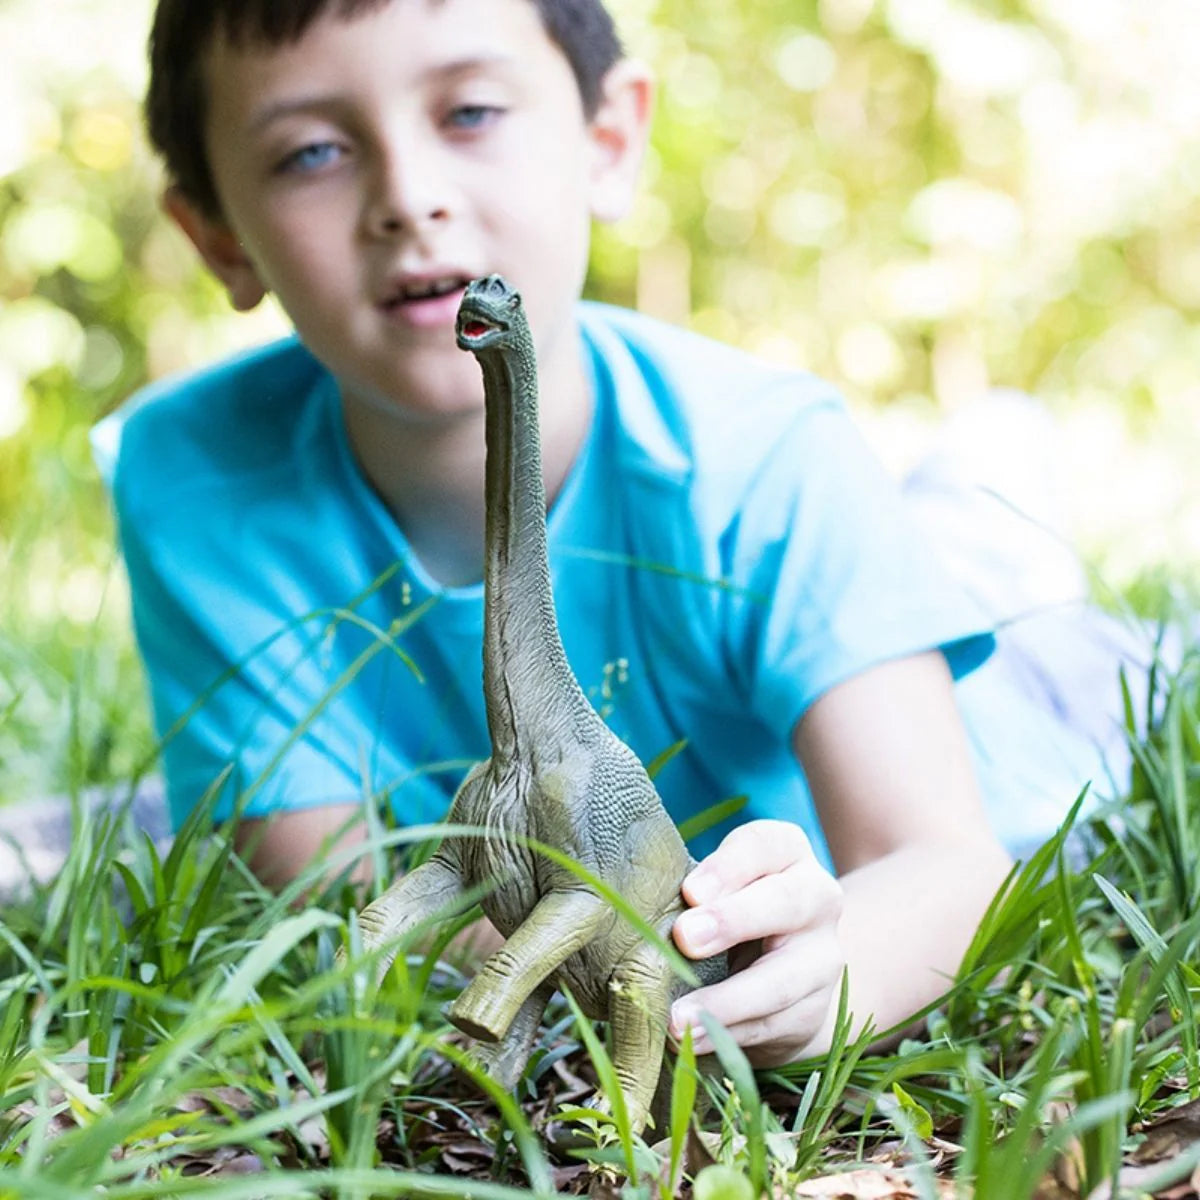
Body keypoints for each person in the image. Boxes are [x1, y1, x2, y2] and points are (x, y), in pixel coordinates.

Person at [92, 0, 1127, 1069]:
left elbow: (947, 863)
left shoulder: (773, 453)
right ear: (217, 234)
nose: (409, 198)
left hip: (1013, 706)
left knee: (1025, 597)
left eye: (472, 112)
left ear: (609, 141)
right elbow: (329, 886)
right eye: (311, 150)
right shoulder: (190, 478)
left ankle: (990, 478)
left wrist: (820, 983)